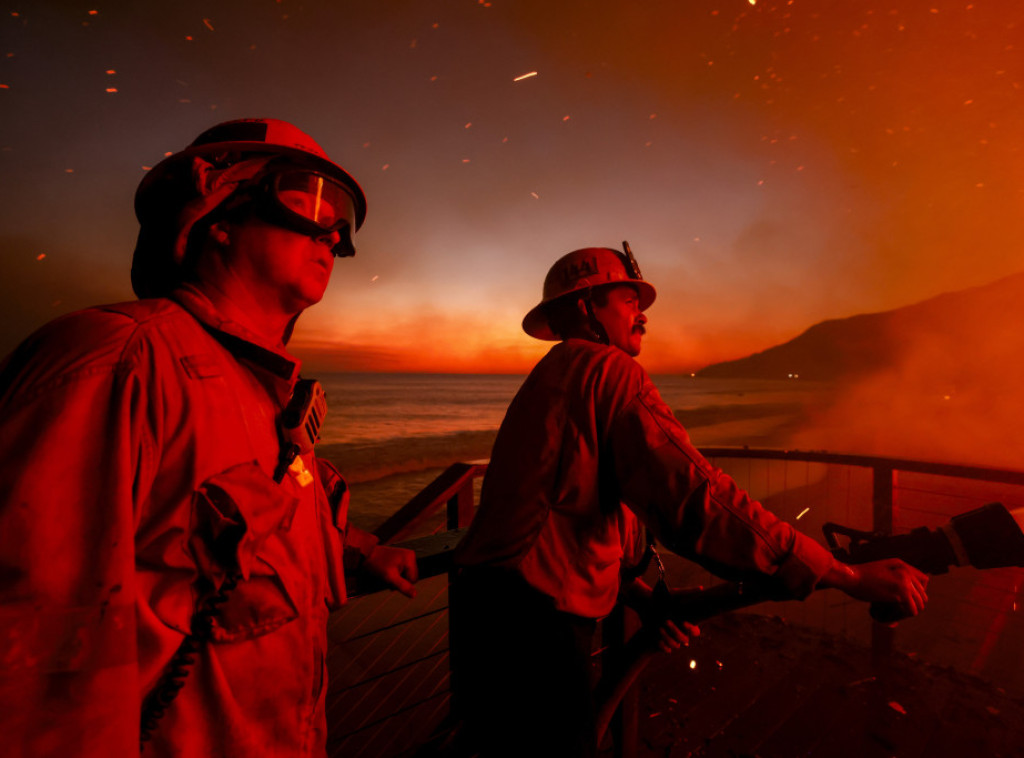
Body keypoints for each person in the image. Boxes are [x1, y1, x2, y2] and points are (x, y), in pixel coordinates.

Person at [0, 118, 418, 757]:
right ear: (217, 215)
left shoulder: (262, 392)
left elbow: (261, 524)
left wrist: (357, 552)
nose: (332, 233)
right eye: (306, 200)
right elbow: (37, 658)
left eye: (342, 222)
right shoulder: (119, 359)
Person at [450, 245, 929, 757]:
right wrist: (846, 575)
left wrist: (641, 597)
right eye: (627, 298)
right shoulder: (608, 370)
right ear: (587, 307)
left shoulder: (553, 376)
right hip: (534, 626)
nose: (644, 313)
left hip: (485, 610)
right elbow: (695, 498)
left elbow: (562, 510)